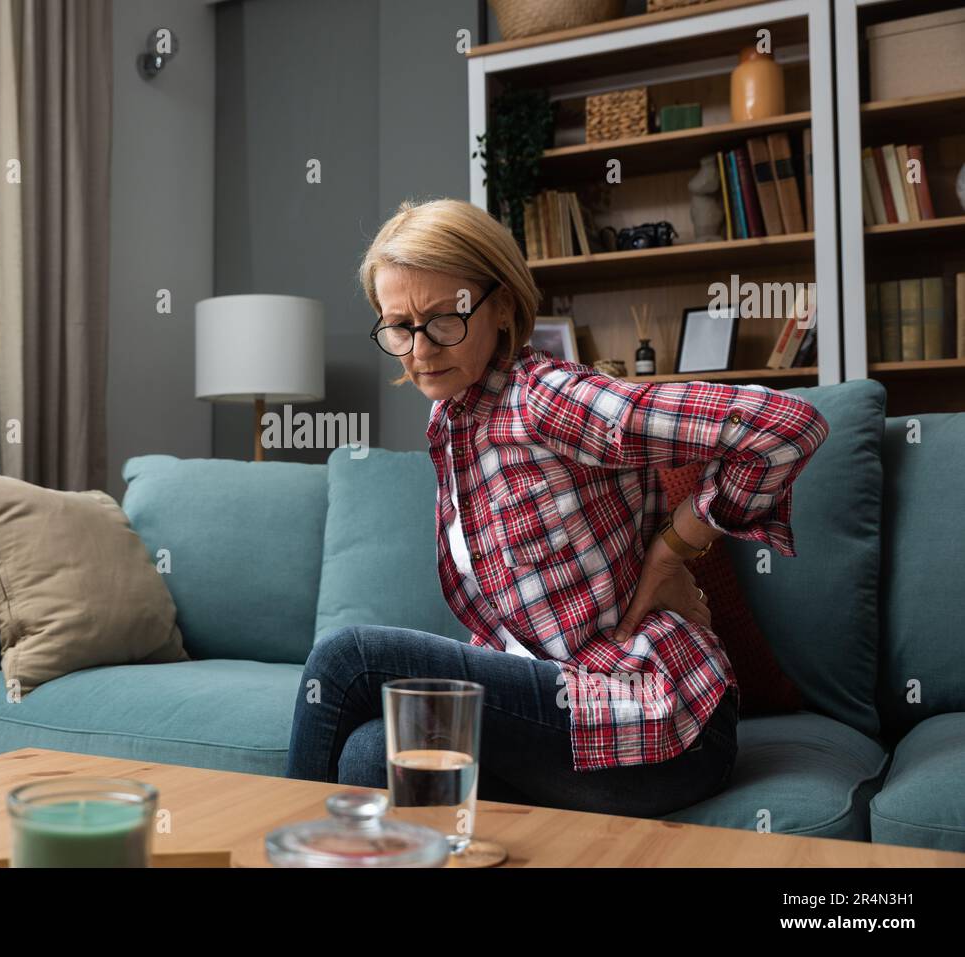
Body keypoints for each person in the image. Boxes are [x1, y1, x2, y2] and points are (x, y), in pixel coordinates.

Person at [284, 198, 830, 817]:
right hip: (559, 715)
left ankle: (282, 853)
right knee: (372, 753)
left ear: (503, 307)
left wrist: (677, 544)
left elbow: (786, 425)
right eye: (400, 326)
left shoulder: (545, 397)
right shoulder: (453, 419)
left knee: (347, 659)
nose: (421, 349)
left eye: (444, 319)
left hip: (658, 717)